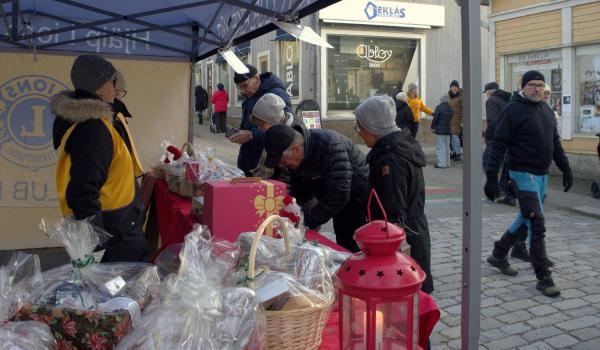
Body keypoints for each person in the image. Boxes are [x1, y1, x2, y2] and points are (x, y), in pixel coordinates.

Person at [51, 54, 150, 262]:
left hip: (117, 230)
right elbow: (82, 192)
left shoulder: (93, 124)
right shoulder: (93, 129)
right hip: (114, 238)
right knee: (118, 292)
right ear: (98, 87)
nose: (115, 89)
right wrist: (96, 248)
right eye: (112, 82)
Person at [483, 70, 573, 297]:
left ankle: (499, 253)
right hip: (522, 175)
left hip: (542, 175)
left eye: (540, 85)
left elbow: (555, 142)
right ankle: (543, 277)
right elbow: (498, 143)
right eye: (532, 85)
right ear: (523, 87)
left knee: (526, 217)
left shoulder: (546, 110)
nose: (537, 89)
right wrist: (491, 178)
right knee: (536, 222)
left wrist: (565, 167)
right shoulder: (512, 110)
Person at [354, 96, 433, 294]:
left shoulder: (392, 159)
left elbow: (392, 212)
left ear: (374, 129)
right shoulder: (394, 150)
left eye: (360, 128)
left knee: (406, 301)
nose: (359, 134)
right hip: (414, 233)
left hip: (401, 243)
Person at [263, 124, 369, 252]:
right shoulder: (298, 156)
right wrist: (293, 211)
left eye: (283, 160)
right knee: (341, 239)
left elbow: (339, 194)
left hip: (356, 197)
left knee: (351, 241)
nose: (281, 165)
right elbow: (297, 190)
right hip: (335, 193)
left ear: (296, 149)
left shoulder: (329, 146)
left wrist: (306, 221)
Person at [231, 64, 292, 176]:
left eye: (245, 85)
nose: (243, 91)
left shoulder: (276, 94)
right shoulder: (249, 96)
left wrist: (251, 134)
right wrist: (240, 132)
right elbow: (251, 125)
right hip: (249, 161)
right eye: (239, 87)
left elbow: (284, 129)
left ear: (257, 78)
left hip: (266, 162)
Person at [250, 93, 304, 179]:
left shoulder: (296, 133)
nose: (259, 129)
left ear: (273, 120)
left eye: (261, 124)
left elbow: (291, 173)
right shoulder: (273, 130)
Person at [483, 81, 515, 207]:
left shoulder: (491, 101)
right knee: (506, 166)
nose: (486, 95)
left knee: (488, 162)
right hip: (510, 138)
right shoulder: (507, 100)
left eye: (486, 93)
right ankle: (509, 194)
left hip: (496, 139)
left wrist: (488, 136)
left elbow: (493, 122)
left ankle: (497, 190)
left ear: (489, 92)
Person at [431, 94, 453, 169]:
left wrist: (433, 127)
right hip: (448, 130)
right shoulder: (450, 108)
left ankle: (441, 164)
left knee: (440, 147)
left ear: (442, 99)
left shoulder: (439, 107)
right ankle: (447, 163)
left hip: (440, 130)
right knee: (447, 146)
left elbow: (435, 119)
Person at [448, 80, 463, 161]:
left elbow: (464, 109)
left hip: (457, 120)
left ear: (458, 88)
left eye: (455, 87)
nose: (453, 88)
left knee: (455, 136)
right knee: (451, 137)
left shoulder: (461, 96)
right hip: (449, 120)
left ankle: (458, 154)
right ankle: (454, 152)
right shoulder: (449, 96)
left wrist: (463, 121)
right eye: (452, 87)